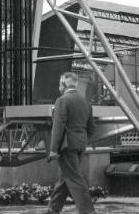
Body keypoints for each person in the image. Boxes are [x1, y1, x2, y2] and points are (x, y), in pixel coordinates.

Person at [46, 72, 96, 214]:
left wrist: (53, 149)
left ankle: (88, 211)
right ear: (76, 84)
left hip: (67, 146)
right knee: (65, 178)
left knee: (73, 178)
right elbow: (92, 128)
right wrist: (82, 139)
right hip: (80, 145)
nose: (59, 86)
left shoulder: (62, 100)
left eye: (59, 84)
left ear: (63, 84)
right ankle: (53, 209)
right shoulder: (86, 102)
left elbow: (58, 126)